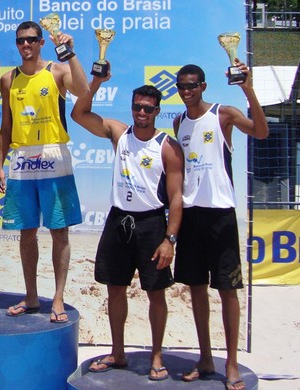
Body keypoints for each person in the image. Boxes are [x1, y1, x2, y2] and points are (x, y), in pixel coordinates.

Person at [71, 76, 184, 379]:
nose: (141, 113)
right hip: (119, 219)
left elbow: (175, 199)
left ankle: (157, 356)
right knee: (115, 289)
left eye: (148, 109)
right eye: (137, 107)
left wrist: (169, 240)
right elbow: (78, 114)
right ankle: (118, 352)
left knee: (156, 293)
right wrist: (95, 83)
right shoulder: (119, 133)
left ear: (157, 110)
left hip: (151, 224)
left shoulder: (168, 147)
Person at [173, 62, 268, 390]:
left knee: (227, 290)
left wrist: (247, 89)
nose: (187, 91)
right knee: (196, 289)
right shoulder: (178, 122)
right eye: (181, 86)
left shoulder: (223, 114)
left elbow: (261, 131)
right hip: (191, 216)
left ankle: (230, 364)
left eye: (192, 85)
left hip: (221, 215)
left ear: (203, 85)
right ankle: (205, 357)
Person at [0, 21, 89, 323]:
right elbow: (6, 126)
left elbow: (84, 90)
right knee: (26, 232)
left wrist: (70, 53)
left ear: (41, 43)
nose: (26, 45)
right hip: (21, 159)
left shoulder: (57, 71)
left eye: (32, 40)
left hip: (52, 154)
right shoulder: (8, 79)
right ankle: (32, 295)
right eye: (21, 40)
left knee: (59, 231)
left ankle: (58, 298)